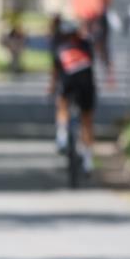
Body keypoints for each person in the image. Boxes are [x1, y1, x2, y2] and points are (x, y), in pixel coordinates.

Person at [49, 19, 97, 174]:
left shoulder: (59, 46)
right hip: (86, 85)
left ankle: (62, 136)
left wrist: (51, 88)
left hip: (68, 83)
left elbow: (55, 72)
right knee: (87, 120)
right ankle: (88, 160)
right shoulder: (86, 45)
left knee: (62, 103)